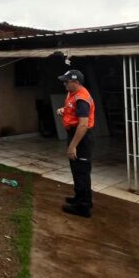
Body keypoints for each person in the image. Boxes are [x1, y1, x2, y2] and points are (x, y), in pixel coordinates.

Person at [56, 69, 95, 218]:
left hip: (82, 138)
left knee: (81, 172)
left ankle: (83, 207)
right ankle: (80, 198)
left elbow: (83, 125)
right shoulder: (72, 94)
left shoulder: (82, 98)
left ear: (76, 82)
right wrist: (63, 110)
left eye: (67, 81)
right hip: (74, 134)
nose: (64, 83)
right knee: (76, 169)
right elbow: (70, 109)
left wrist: (73, 146)